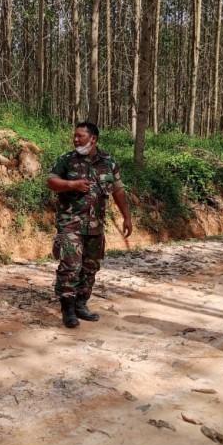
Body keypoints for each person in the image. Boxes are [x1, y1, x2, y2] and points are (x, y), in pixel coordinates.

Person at [47, 121, 132, 328]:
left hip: (96, 226)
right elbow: (51, 182)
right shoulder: (66, 160)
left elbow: (118, 190)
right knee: (70, 266)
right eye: (74, 136)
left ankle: (81, 304)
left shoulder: (108, 162)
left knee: (90, 266)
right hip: (70, 224)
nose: (76, 139)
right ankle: (67, 309)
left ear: (93, 139)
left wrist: (127, 217)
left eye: (80, 136)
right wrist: (71, 184)